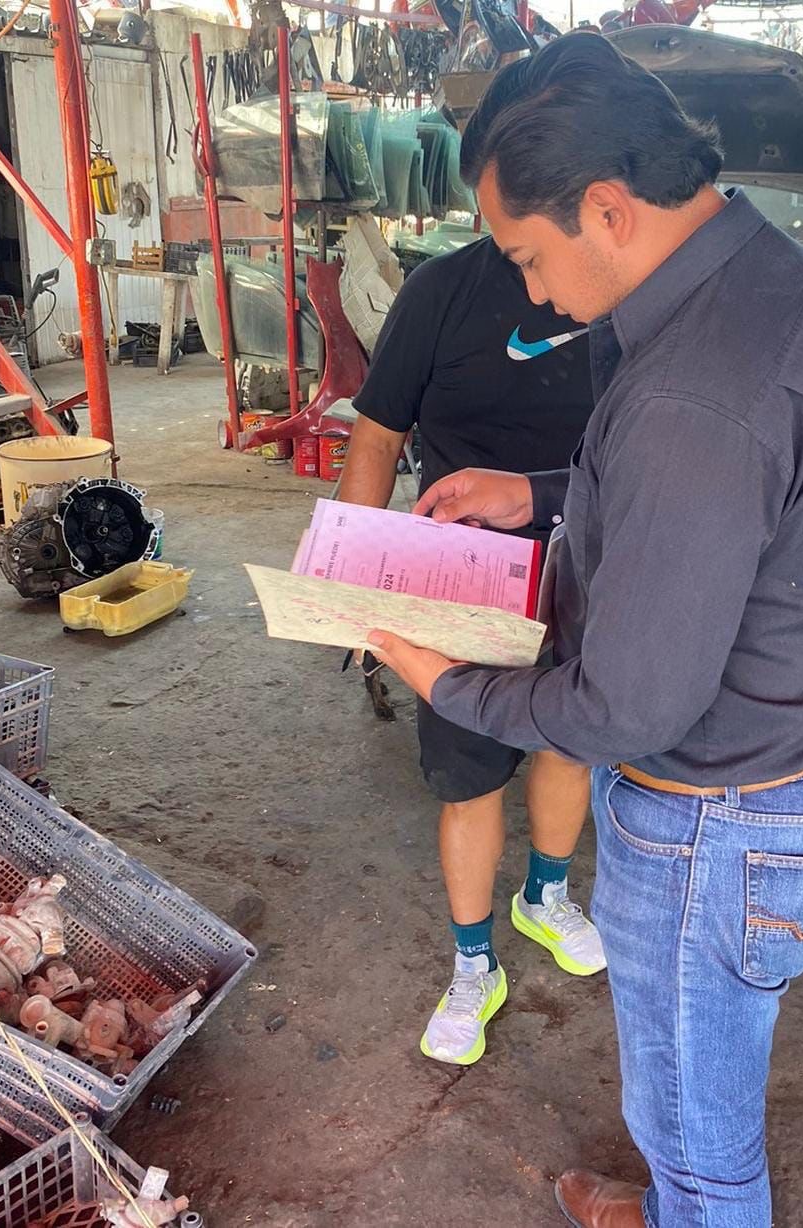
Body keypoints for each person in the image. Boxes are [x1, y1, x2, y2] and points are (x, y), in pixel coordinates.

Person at [368, 32, 803, 1227]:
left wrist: (443, 679)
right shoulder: (769, 272)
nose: (535, 292)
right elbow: (721, 495)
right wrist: (539, 493)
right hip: (789, 768)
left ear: (606, 208)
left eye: (529, 257)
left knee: (700, 1136)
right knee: (690, 1092)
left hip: (718, 824)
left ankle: (690, 1206)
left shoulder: (693, 388)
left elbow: (624, 707)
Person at [339, 230, 605, 1067]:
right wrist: (353, 579)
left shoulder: (618, 283)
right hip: (460, 572)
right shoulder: (442, 291)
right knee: (468, 772)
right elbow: (377, 436)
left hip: (587, 559)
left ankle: (545, 895)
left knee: (571, 740)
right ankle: (473, 961)